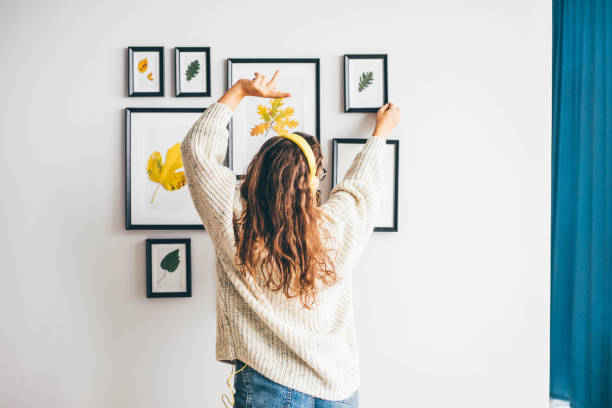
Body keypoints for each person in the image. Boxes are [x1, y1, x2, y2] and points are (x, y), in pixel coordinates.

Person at [181, 69, 400, 408]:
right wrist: (380, 134)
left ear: (259, 171)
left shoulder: (236, 221)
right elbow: (361, 189)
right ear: (310, 182)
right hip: (338, 388)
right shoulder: (336, 225)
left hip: (269, 385)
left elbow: (197, 153)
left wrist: (239, 91)